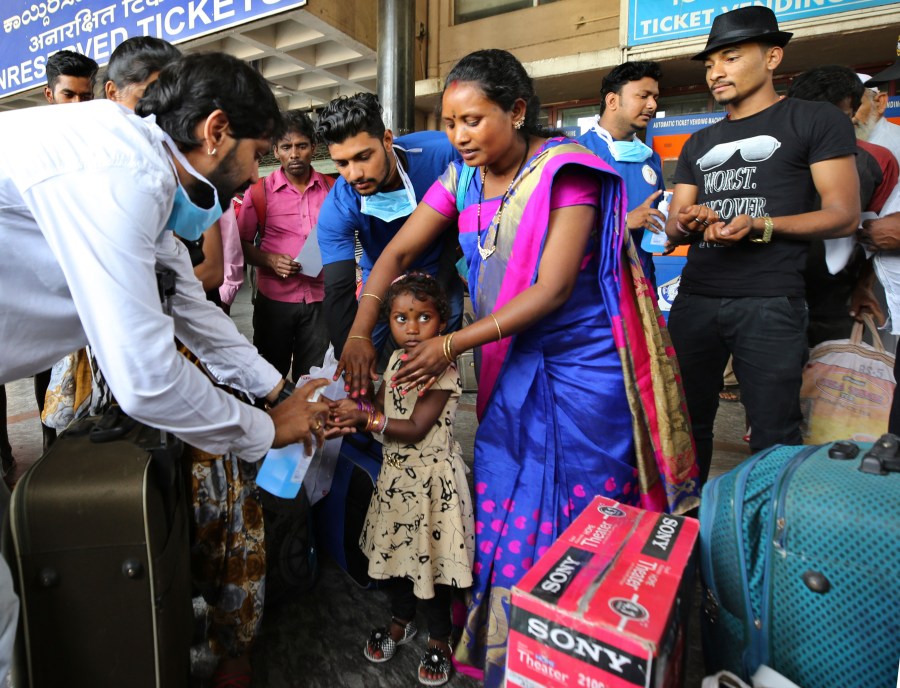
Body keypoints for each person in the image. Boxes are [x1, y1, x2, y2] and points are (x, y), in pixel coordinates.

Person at [336, 48, 698, 687]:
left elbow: (551, 291)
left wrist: (450, 345)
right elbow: (397, 253)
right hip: (512, 359)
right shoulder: (462, 179)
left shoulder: (567, 171)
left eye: (472, 120)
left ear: (518, 110)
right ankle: (515, 641)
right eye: (450, 123)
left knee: (583, 505)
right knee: (507, 489)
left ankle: (586, 646)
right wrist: (361, 331)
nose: (459, 136)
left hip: (584, 369)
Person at [664, 7, 859, 484]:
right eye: (710, 63)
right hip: (696, 298)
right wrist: (690, 221)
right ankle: (688, 523)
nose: (716, 72)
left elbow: (843, 215)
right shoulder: (699, 142)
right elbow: (673, 228)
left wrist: (760, 226)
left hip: (770, 300)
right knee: (686, 425)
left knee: (774, 434)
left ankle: (764, 528)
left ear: (772, 57)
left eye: (730, 57)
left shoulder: (813, 120)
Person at [328, 273, 473, 687]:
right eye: (401, 318)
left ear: (442, 321)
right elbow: (378, 409)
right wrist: (350, 408)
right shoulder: (393, 361)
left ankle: (440, 636)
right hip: (395, 482)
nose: (412, 328)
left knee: (432, 563)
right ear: (388, 321)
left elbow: (413, 427)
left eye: (424, 317)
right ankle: (401, 619)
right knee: (395, 559)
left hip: (430, 486)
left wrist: (368, 419)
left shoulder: (440, 368)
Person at [315, 93, 463, 356]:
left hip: (441, 268)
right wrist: (348, 355)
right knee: (362, 345)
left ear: (386, 140)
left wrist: (445, 275)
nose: (354, 174)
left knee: (440, 357)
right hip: (379, 280)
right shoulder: (338, 205)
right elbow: (338, 289)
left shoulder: (442, 154)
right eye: (342, 163)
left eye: (363, 157)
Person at [788, 65, 896, 346]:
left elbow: (878, 231)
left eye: (844, 116)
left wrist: (863, 285)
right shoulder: (767, 152)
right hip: (771, 295)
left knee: (832, 371)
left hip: (837, 301)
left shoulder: (876, 159)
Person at [238, 109, 332, 380]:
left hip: (320, 300)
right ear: (276, 151)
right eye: (286, 147)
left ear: (314, 148)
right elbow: (240, 245)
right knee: (269, 376)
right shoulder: (258, 192)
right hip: (274, 302)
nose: (294, 154)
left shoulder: (332, 189)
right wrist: (269, 260)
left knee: (313, 378)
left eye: (302, 146)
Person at [576, 61, 667, 286]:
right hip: (593, 289)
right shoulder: (576, 153)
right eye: (643, 96)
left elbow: (658, 217)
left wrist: (670, 234)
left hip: (642, 285)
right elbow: (558, 230)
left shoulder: (651, 158)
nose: (652, 105)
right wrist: (624, 223)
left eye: (655, 97)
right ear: (612, 101)